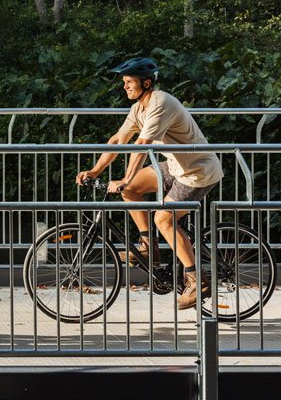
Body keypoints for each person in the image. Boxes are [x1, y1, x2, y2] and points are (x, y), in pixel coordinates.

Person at [75, 57, 223, 310]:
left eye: (129, 82)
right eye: (123, 82)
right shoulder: (138, 108)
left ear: (146, 82)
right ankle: (147, 248)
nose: (125, 87)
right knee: (132, 190)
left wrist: (124, 179)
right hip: (176, 166)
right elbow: (119, 140)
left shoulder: (160, 103)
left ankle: (198, 281)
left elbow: (143, 145)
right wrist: (96, 170)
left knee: (163, 219)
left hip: (198, 171)